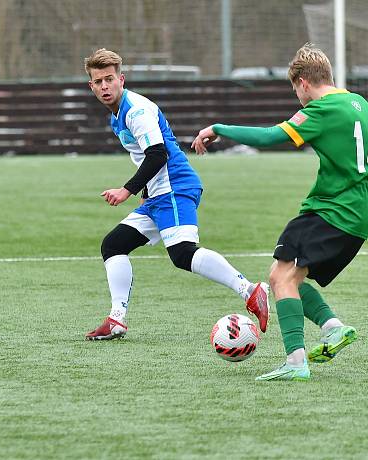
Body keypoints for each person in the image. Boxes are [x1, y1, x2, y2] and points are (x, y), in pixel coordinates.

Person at [192, 43, 368, 381]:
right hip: (357, 225)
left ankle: (296, 362)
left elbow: (271, 137)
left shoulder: (322, 109)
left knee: (281, 279)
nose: (297, 97)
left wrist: (218, 128)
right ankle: (333, 328)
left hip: (328, 213)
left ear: (302, 82)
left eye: (295, 90)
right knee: (284, 277)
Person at [83, 48, 269, 340]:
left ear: (121, 79)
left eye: (109, 79)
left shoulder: (136, 110)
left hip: (174, 186)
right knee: (113, 245)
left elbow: (157, 154)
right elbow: (147, 155)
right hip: (158, 194)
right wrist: (144, 192)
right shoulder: (117, 115)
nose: (105, 86)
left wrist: (126, 190)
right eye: (98, 82)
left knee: (182, 254)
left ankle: (251, 291)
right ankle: (116, 320)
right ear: (91, 86)